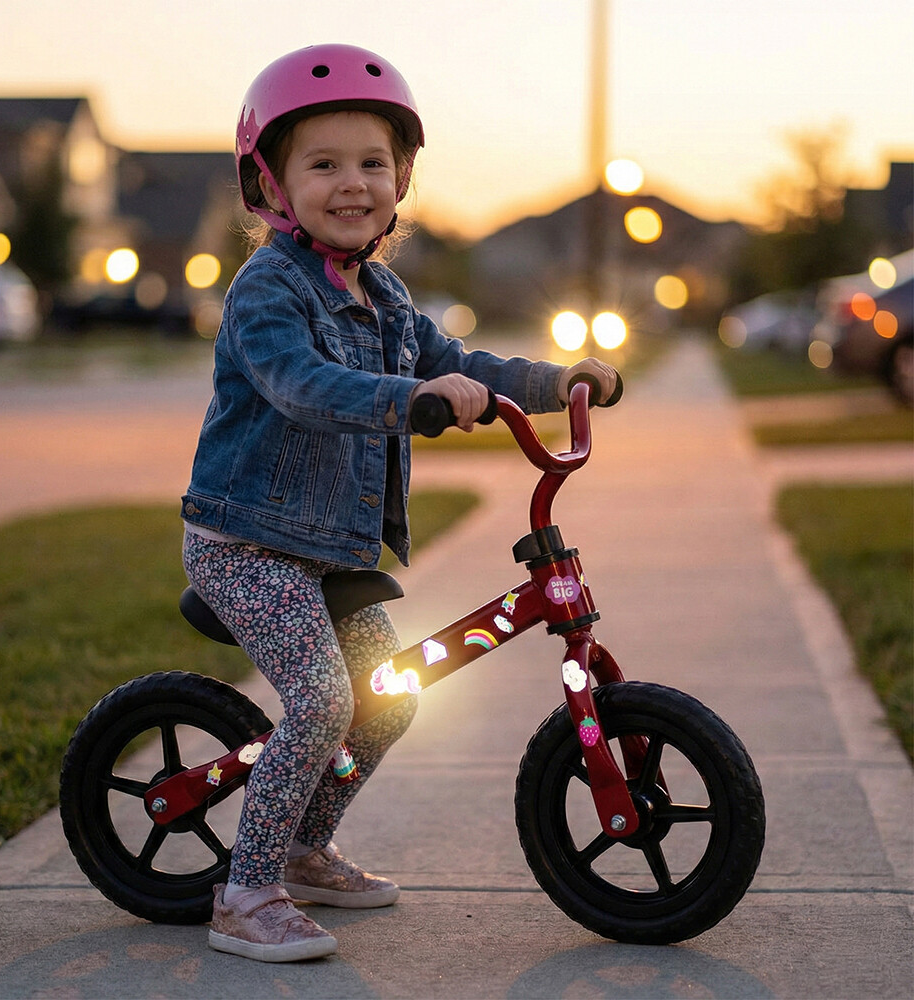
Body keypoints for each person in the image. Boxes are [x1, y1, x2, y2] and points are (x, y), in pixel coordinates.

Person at [181, 43, 618, 964]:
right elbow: (300, 383)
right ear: (272, 181)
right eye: (324, 164)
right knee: (320, 698)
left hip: (329, 549)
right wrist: (403, 402)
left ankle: (301, 845)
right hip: (246, 545)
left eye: (372, 163)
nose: (352, 184)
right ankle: (244, 892)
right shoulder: (266, 290)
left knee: (388, 699)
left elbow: (463, 364)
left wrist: (557, 378)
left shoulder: (383, 293)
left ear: (402, 176)